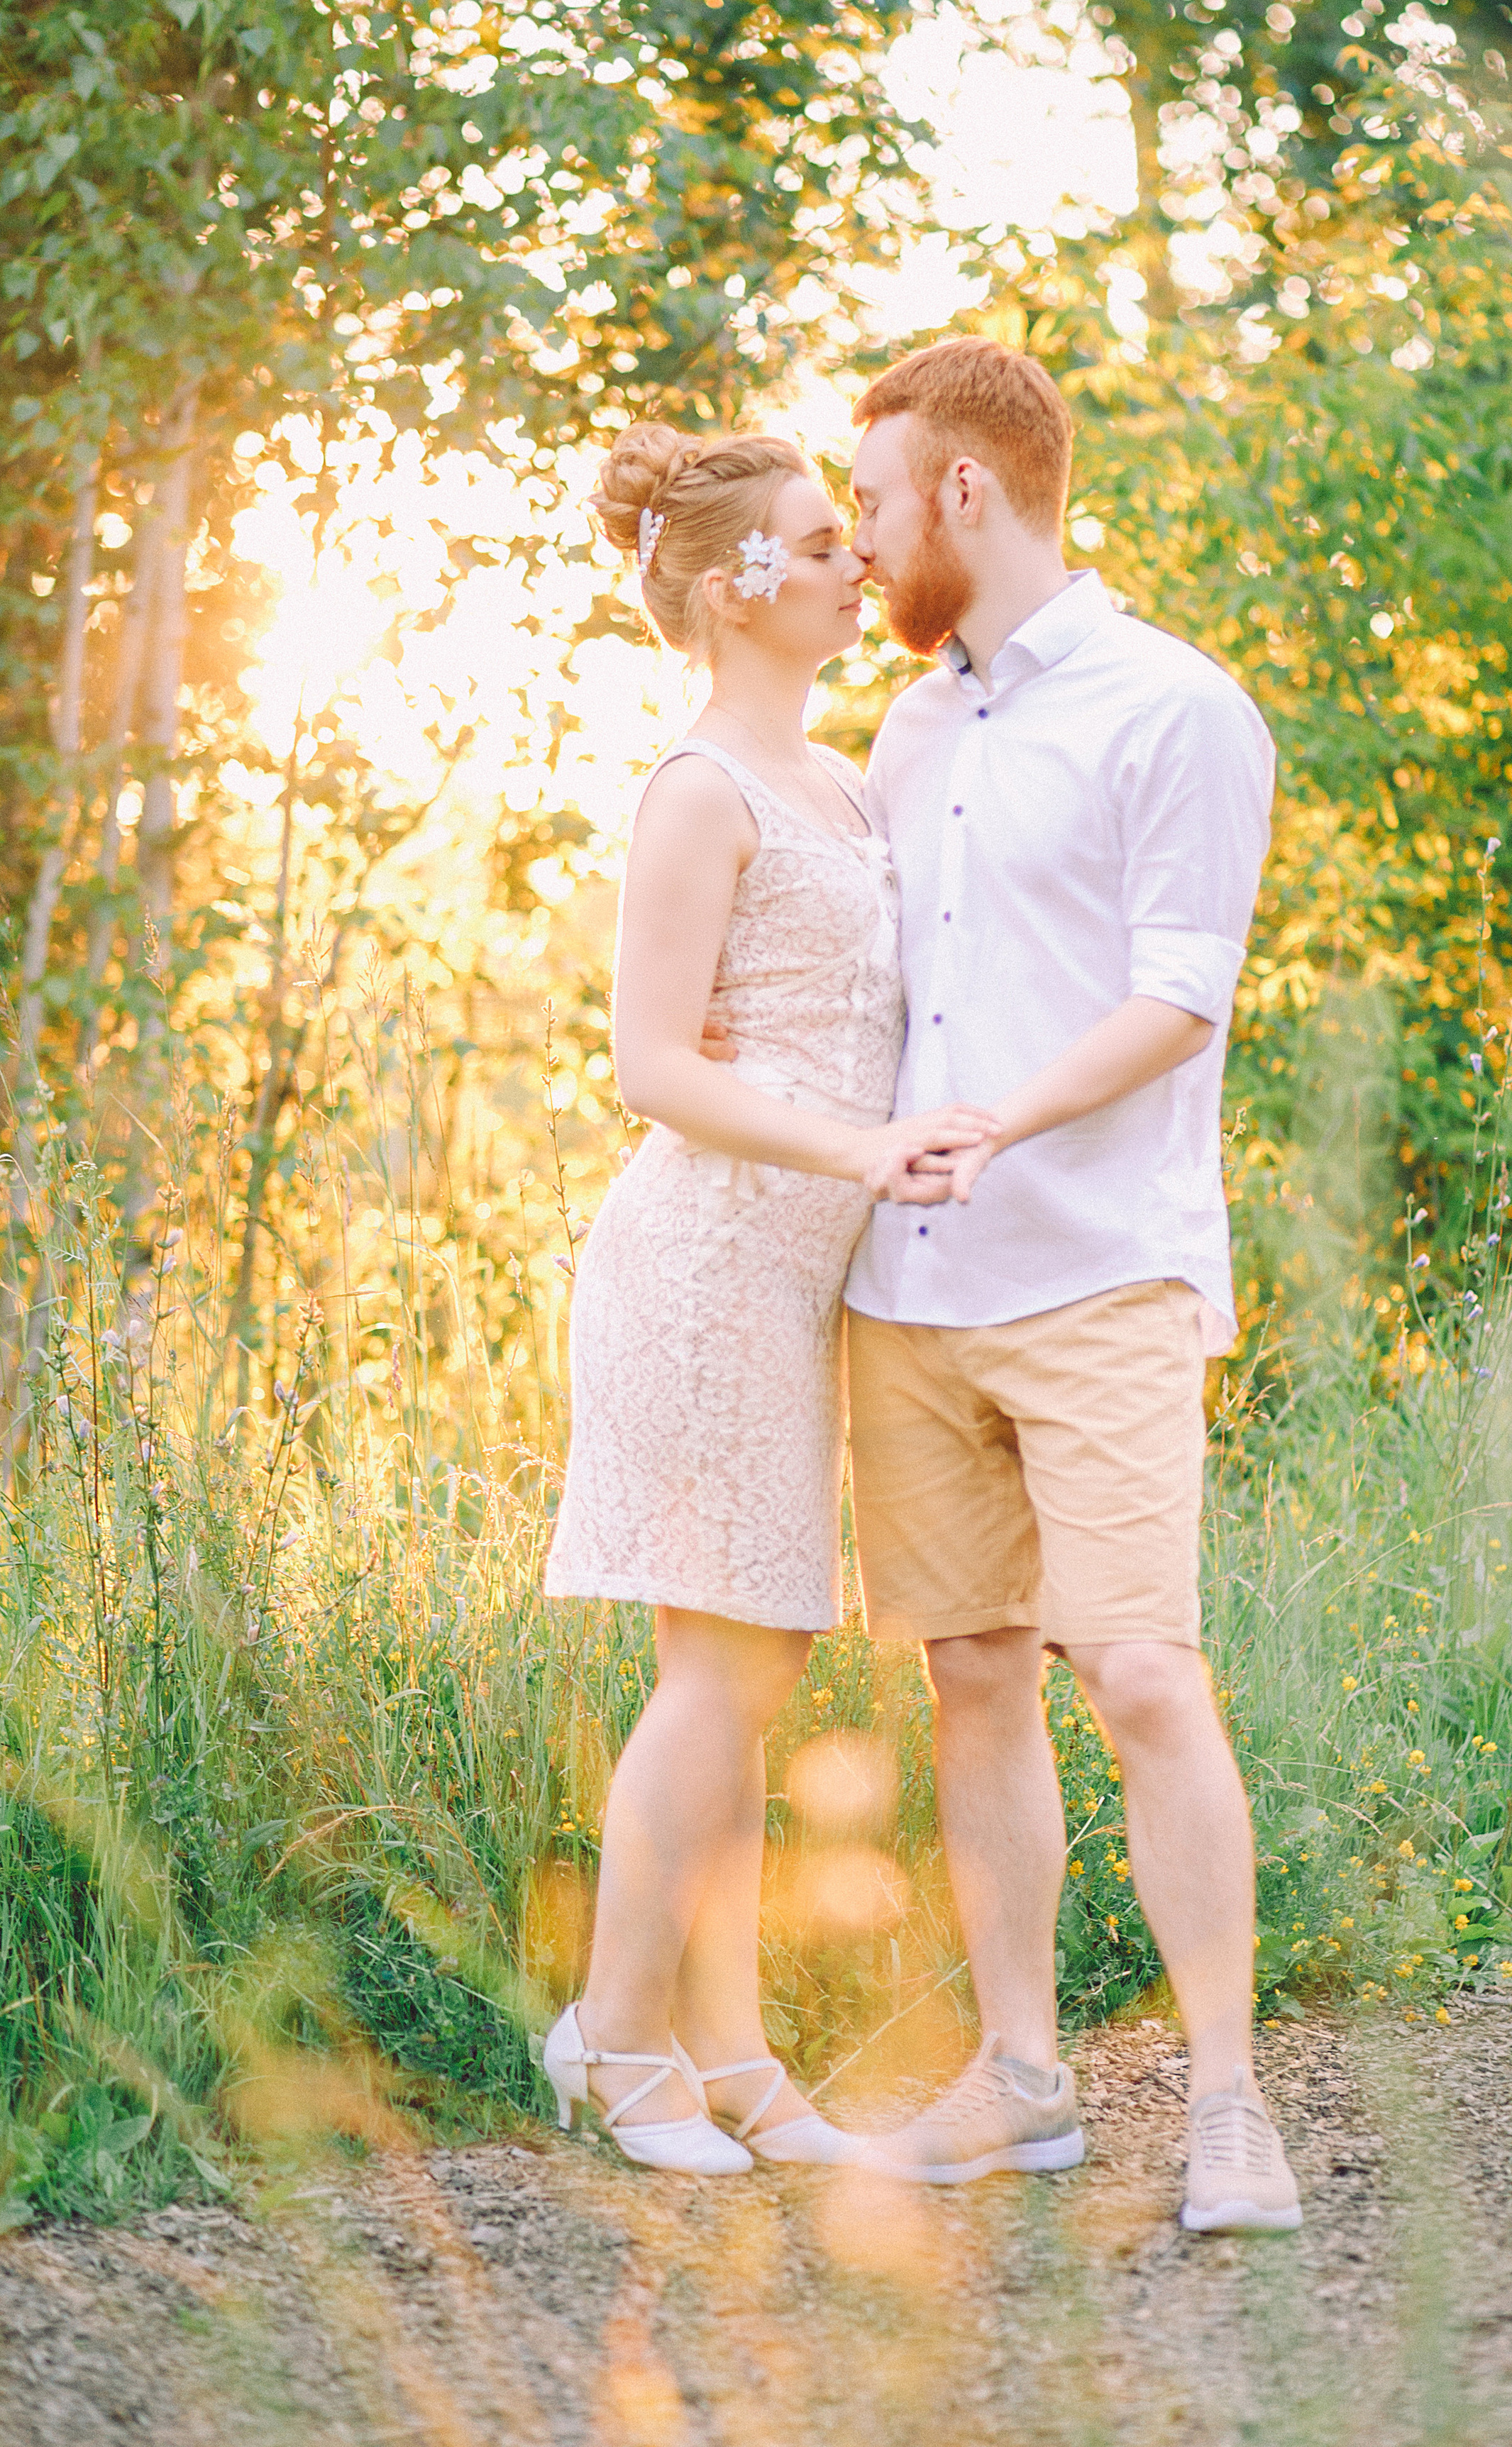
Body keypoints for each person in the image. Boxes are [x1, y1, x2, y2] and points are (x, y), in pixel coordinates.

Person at [836, 336, 1303, 2233]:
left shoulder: (1172, 709)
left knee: (1140, 1673)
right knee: (971, 1675)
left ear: (966, 488)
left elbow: (1182, 994)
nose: (859, 546)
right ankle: (1022, 2080)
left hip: (1100, 1274)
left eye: (872, 502)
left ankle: (1227, 2108)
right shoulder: (910, 733)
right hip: (912, 1285)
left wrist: (1001, 1120)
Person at [540, 424, 995, 2172]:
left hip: (800, 1277)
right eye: (820, 544)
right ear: (736, 590)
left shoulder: (847, 787)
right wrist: (860, 1149)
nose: (852, 563)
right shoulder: (695, 791)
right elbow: (653, 1064)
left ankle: (730, 2057)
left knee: (747, 1660)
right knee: (719, 1674)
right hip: (709, 1257)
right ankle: (614, 2040)